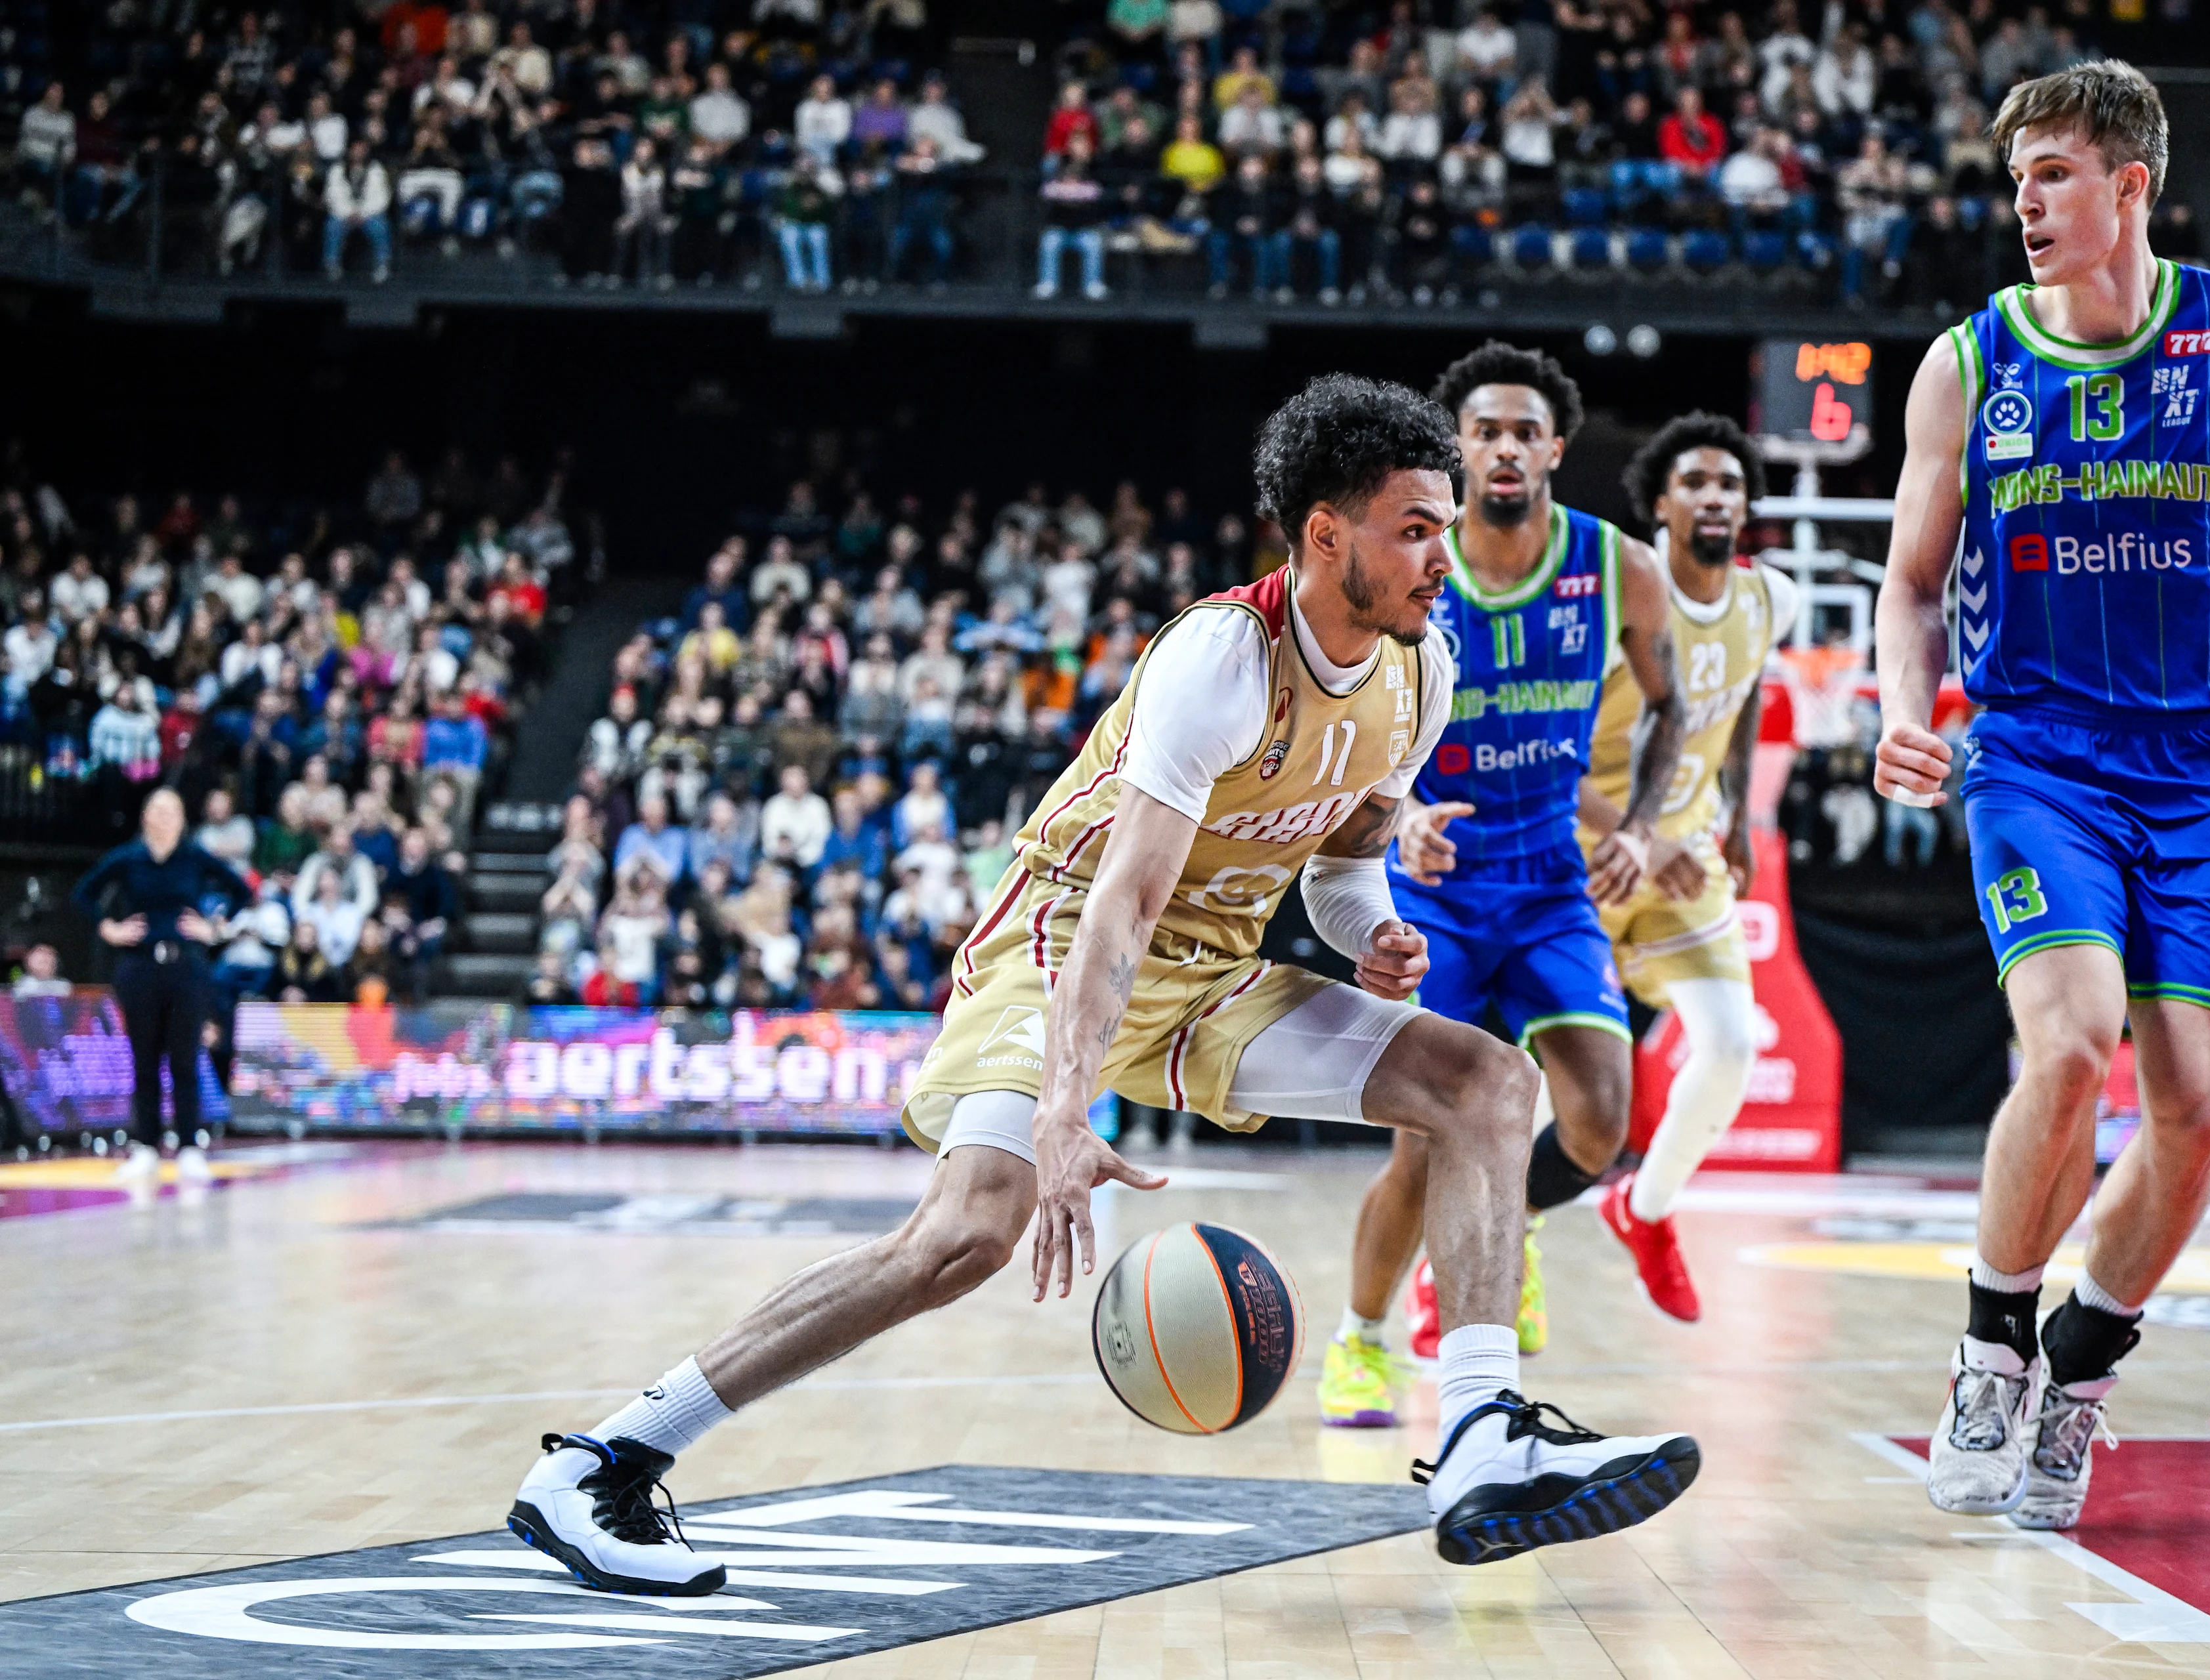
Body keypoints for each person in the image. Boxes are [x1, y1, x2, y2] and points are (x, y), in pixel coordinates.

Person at [504, 375, 1701, 1595]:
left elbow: (1344, 863)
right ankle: (608, 1461)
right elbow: (1119, 909)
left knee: (1486, 1082)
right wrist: (1068, 1115)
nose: (1444, 555)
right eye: (1414, 528)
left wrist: (1373, 932)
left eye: (1445, 525)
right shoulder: (1221, 659)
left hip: (1212, 974)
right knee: (969, 1233)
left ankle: (1481, 1436)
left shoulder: (1422, 670)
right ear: (1326, 535)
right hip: (1060, 949)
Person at [1871, 62, 2210, 1532]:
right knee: (2075, 1044)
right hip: (2038, 753)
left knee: (2204, 1108)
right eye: (2018, 176)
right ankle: (1989, 1341)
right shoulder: (1968, 364)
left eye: (2056, 174)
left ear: (2131, 186)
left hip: (2206, 760)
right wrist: (1905, 715)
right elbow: (1906, 582)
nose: (2026, 201)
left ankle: (2077, 1372)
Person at [1316, 343, 1687, 1429]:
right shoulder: (1415, 570)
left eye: (1527, 430)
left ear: (1556, 449)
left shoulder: (1618, 565)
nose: (1507, 447)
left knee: (1600, 1119)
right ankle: (1361, 1342)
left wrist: (1650, 823)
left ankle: (1506, 1227)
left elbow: (1670, 708)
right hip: (1437, 889)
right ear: (1457, 449)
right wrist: (1406, 813)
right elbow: (1354, 717)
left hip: (1550, 885)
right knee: (1423, 1145)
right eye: (1487, 430)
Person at [1587, 413, 1797, 1323]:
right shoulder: (1611, 596)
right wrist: (1629, 833)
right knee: (1531, 1082)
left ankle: (1646, 1211)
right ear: (1660, 504)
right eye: (1697, 484)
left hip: (1684, 861)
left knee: (1731, 1046)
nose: (1717, 498)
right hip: (1575, 855)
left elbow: (1745, 695)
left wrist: (1744, 815)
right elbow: (1542, 748)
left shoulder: (1769, 599)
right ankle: (1482, 1255)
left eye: (1730, 485)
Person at [72, 789, 251, 1173]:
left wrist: (214, 928)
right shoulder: (128, 857)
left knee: (185, 1059)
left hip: (187, 967)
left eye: (172, 810)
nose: (164, 817)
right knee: (144, 1060)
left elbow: (241, 890)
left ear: (183, 818)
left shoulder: (194, 856)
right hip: (139, 968)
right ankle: (146, 1147)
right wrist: (110, 929)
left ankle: (188, 1146)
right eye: (157, 809)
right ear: (145, 817)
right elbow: (84, 894)